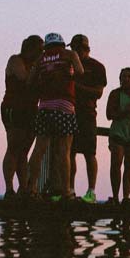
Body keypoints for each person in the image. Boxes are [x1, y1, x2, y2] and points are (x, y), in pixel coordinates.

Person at [26, 32, 84, 201]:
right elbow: (80, 72)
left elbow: (30, 82)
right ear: (62, 43)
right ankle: (66, 192)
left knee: (39, 149)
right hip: (65, 105)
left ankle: (31, 188)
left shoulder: (41, 59)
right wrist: (68, 75)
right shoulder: (69, 54)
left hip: (44, 106)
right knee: (64, 151)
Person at [1, 35, 44, 199]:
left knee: (24, 151)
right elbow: (24, 79)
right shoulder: (15, 60)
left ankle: (24, 188)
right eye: (40, 49)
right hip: (14, 107)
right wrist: (39, 66)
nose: (42, 53)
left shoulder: (37, 66)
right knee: (13, 147)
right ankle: (9, 189)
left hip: (31, 109)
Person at [67, 34, 107, 204]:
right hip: (69, 113)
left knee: (90, 153)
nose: (74, 51)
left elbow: (98, 93)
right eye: (72, 49)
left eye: (77, 49)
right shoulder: (67, 64)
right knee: (70, 153)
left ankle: (91, 192)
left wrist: (77, 87)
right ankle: (70, 190)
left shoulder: (97, 67)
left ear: (86, 49)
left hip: (88, 114)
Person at [106, 67, 130, 205]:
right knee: (116, 164)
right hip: (118, 132)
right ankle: (115, 197)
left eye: (129, 76)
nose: (126, 79)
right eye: (123, 76)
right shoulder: (115, 94)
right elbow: (109, 114)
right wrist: (124, 111)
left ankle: (126, 197)